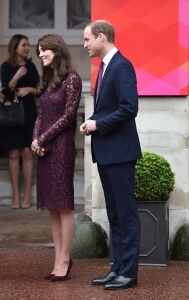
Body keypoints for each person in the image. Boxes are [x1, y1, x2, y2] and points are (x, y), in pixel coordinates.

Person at [80, 20, 142, 290]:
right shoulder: (105, 68)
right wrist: (92, 120)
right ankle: (117, 268)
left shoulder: (122, 66)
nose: (85, 45)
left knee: (126, 216)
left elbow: (130, 108)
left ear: (101, 37)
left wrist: (98, 124)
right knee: (115, 215)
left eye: (87, 40)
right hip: (107, 153)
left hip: (120, 154)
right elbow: (109, 108)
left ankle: (128, 273)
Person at [31, 34, 82, 282]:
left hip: (61, 147)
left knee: (63, 205)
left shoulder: (72, 79)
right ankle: (57, 258)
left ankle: (65, 258)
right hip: (44, 147)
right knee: (52, 206)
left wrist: (44, 139)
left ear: (57, 50)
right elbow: (41, 113)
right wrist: (35, 139)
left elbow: (68, 116)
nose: (40, 54)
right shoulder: (48, 78)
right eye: (39, 51)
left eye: (44, 50)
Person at [0, 34, 40, 209]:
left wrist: (30, 89)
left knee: (26, 152)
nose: (27, 48)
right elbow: (5, 90)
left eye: (28, 45)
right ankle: (15, 194)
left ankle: (27, 197)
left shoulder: (31, 66)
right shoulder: (6, 66)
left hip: (29, 111)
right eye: (24, 45)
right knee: (14, 153)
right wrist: (16, 76)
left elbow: (40, 89)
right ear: (15, 47)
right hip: (11, 113)